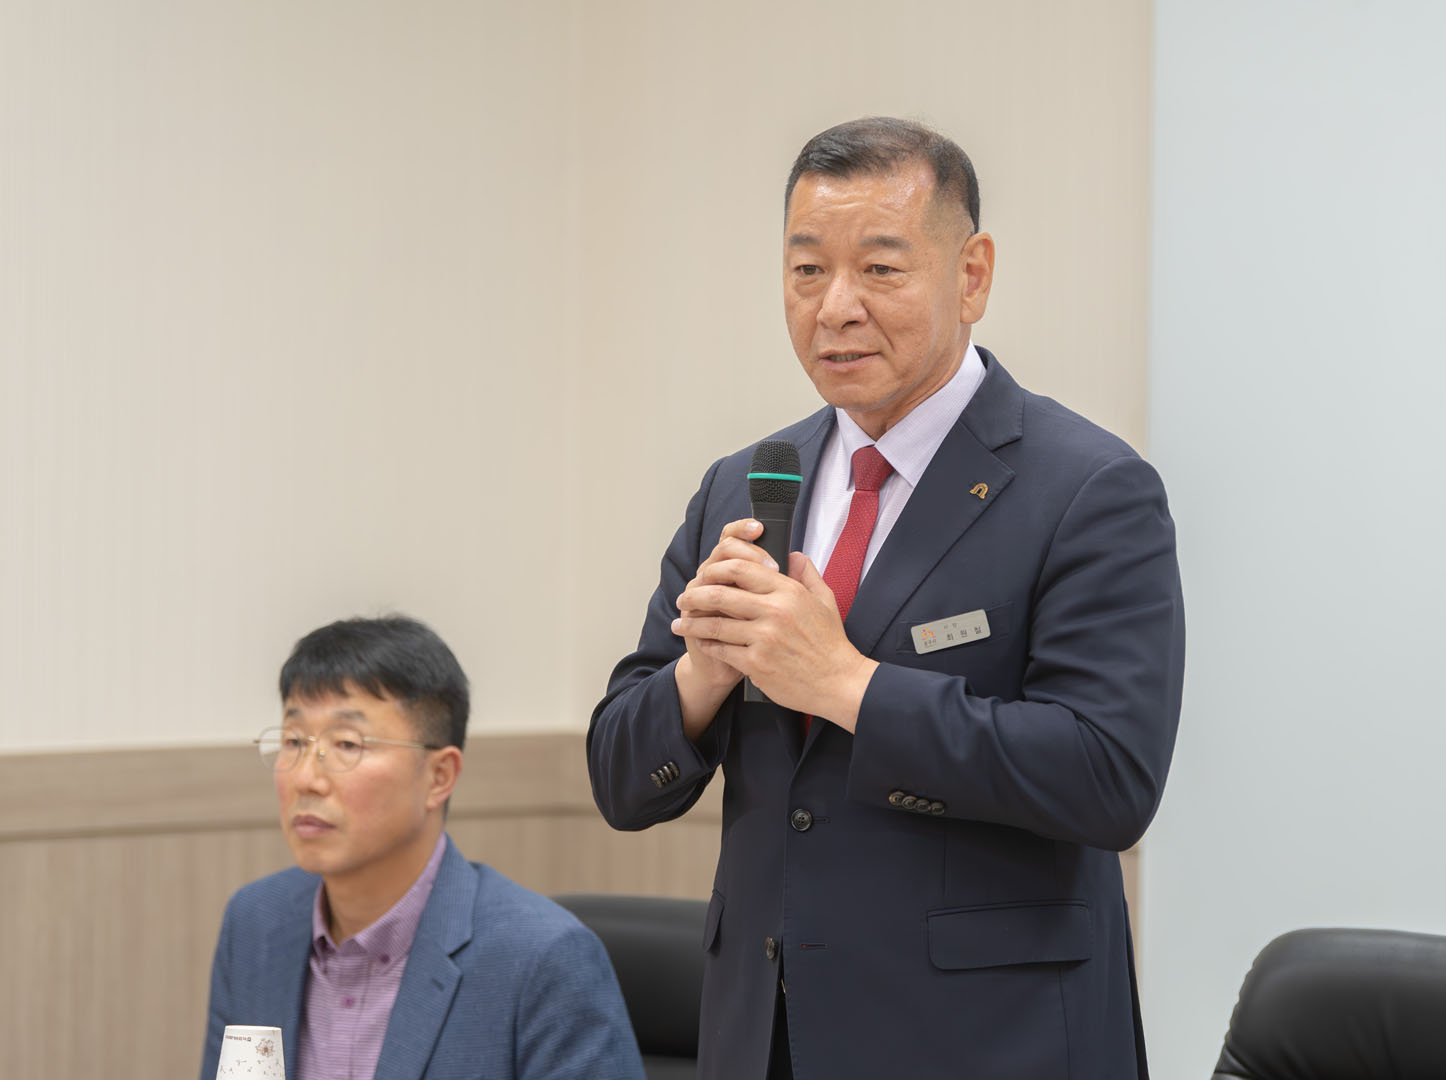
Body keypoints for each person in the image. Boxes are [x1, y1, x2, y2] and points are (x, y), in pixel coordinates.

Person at [588, 117, 1185, 1079]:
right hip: (764, 1038)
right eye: (807, 271)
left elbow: (1107, 777)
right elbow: (619, 779)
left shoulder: (1086, 487)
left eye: (880, 269)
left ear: (972, 275)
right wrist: (702, 675)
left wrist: (845, 684)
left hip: (991, 1044)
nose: (836, 308)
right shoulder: (744, 484)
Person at [201, 615, 644, 1080]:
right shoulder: (255, 923)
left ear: (439, 777)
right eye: (293, 741)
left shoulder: (542, 957)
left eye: (347, 744)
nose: (306, 778)